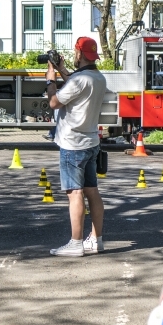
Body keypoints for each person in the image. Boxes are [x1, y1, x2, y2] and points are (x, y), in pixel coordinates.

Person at [45, 36, 107, 257]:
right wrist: (62, 69)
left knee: (75, 193)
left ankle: (76, 242)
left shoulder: (80, 81)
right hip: (91, 142)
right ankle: (96, 240)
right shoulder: (97, 78)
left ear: (79, 54)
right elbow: (75, 85)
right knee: (92, 191)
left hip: (72, 144)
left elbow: (54, 102)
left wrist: (50, 78)